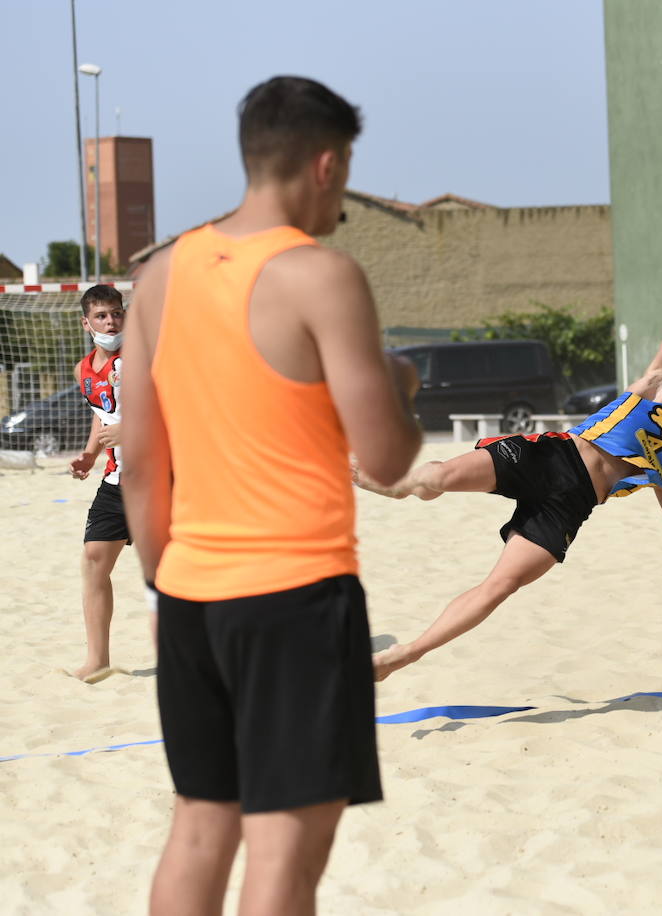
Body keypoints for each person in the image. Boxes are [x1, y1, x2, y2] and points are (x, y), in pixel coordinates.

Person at [120, 76, 423, 915]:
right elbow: (388, 458)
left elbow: (143, 466)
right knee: (284, 857)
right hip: (295, 592)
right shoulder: (321, 276)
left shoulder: (159, 277)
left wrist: (163, 584)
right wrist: (401, 382)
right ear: (326, 164)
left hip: (187, 593)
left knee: (199, 827)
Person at [357, 222, 662, 679]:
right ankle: (383, 479)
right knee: (436, 480)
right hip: (551, 456)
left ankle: (403, 655)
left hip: (572, 503)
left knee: (501, 585)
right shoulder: (657, 385)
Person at [67, 284, 130, 683]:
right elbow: (102, 415)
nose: (111, 322)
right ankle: (98, 660)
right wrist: (90, 453)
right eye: (103, 316)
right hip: (118, 478)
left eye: (116, 313)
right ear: (86, 322)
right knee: (93, 561)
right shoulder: (83, 368)